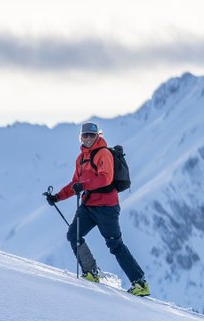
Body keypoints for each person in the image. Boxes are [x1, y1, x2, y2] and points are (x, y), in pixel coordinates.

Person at [46, 121, 150, 297]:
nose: (88, 138)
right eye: (85, 135)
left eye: (91, 135)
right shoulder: (81, 159)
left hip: (106, 207)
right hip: (88, 206)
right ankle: (91, 272)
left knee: (115, 244)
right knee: (73, 235)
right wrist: (56, 197)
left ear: (97, 136)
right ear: (80, 137)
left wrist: (83, 185)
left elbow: (106, 179)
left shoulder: (103, 154)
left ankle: (140, 283)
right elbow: (74, 184)